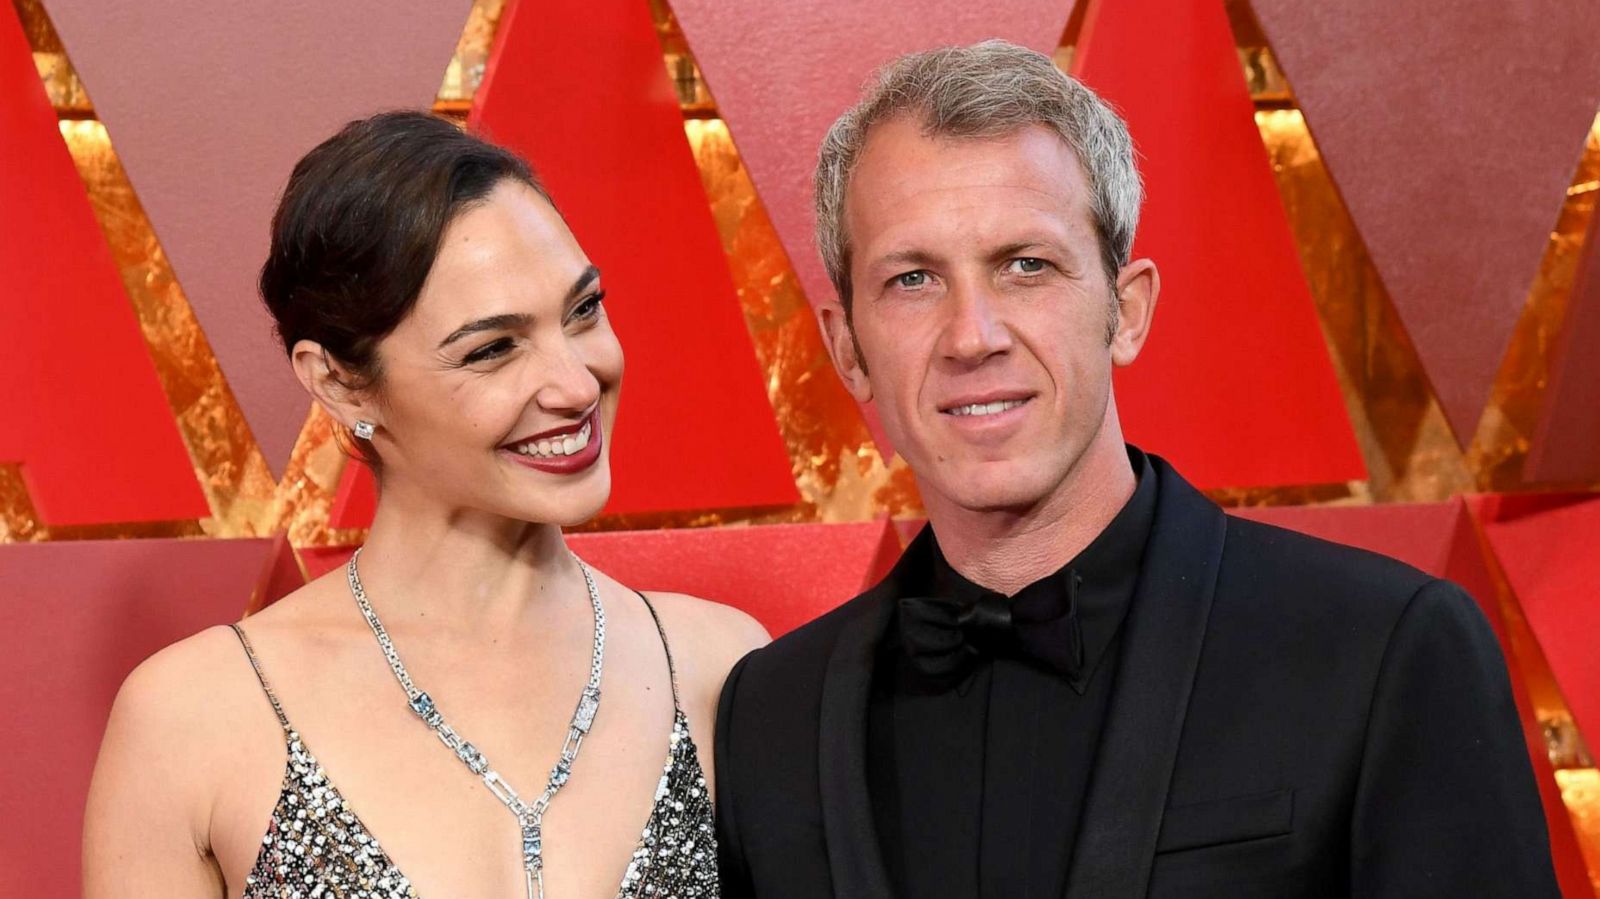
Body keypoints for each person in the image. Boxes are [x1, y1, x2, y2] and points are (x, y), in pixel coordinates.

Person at [713, 40, 1557, 898]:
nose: (973, 336)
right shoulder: (770, 719)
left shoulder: (1386, 650)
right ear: (846, 348)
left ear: (1127, 309)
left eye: (1026, 265)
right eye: (914, 278)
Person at [83, 111, 764, 899]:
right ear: (340, 382)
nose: (577, 383)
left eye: (583, 310)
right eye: (492, 348)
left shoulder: (719, 667)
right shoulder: (194, 719)